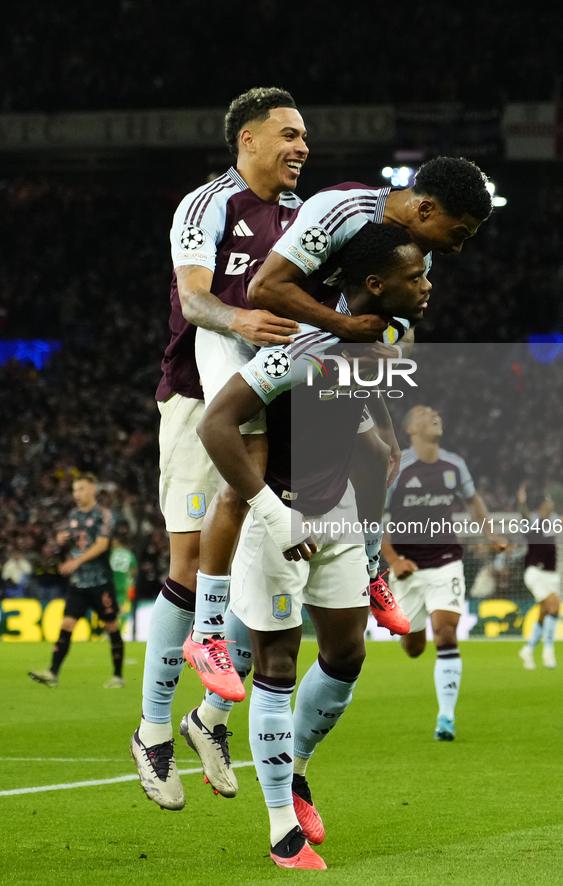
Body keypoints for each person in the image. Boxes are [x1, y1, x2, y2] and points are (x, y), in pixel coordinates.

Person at [186, 156, 493, 696]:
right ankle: (206, 632)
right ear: (424, 208)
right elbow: (264, 289)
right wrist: (345, 327)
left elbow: (397, 331)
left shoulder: (414, 253)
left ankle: (372, 568)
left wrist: (381, 389)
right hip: (239, 327)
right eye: (459, 232)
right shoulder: (342, 208)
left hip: (311, 345)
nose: (459, 247)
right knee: (248, 461)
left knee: (375, 456)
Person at [196, 223, 430, 869]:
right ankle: (280, 830)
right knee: (275, 666)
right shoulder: (303, 344)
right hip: (282, 522)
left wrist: (373, 435)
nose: (428, 285)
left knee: (348, 653)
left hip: (338, 517)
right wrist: (273, 517)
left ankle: (293, 770)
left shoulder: (386, 336)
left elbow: (349, 401)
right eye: (416, 277)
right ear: (375, 285)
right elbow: (216, 424)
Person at [131, 86, 308, 811]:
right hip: (198, 398)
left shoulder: (305, 215)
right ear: (248, 140)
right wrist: (247, 319)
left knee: (262, 565)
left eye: (305, 138)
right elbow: (197, 300)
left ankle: (210, 719)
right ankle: (151, 730)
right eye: (289, 135)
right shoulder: (207, 205)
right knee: (189, 560)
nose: (301, 147)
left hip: (273, 400)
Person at [381, 406, 506, 740]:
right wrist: (392, 559)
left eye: (435, 411)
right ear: (410, 429)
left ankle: (446, 719)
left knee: (446, 633)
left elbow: (473, 501)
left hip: (446, 560)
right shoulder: (399, 467)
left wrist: (490, 533)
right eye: (424, 413)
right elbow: (373, 516)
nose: (434, 414)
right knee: (414, 647)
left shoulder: (455, 464)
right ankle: (411, 635)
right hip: (407, 567)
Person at [28, 474, 124, 689]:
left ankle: (118, 675)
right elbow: (71, 546)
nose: (76, 494)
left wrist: (76, 562)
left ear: (93, 490)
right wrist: (61, 543)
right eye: (74, 490)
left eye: (81, 489)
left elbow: (101, 544)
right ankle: (52, 673)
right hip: (79, 583)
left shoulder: (104, 515)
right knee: (66, 625)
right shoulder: (73, 516)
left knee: (112, 626)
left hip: (100, 582)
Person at [517, 483, 560, 670]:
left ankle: (528, 649)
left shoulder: (553, 520)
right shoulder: (534, 521)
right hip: (536, 572)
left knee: (545, 613)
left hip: (552, 573)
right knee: (555, 607)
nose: (551, 505)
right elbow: (525, 517)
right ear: (542, 506)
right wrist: (521, 503)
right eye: (548, 502)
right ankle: (548, 650)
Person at [109, 522, 138, 608]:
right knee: (123, 609)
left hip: (112, 583)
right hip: (125, 585)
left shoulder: (111, 553)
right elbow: (134, 571)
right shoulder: (129, 555)